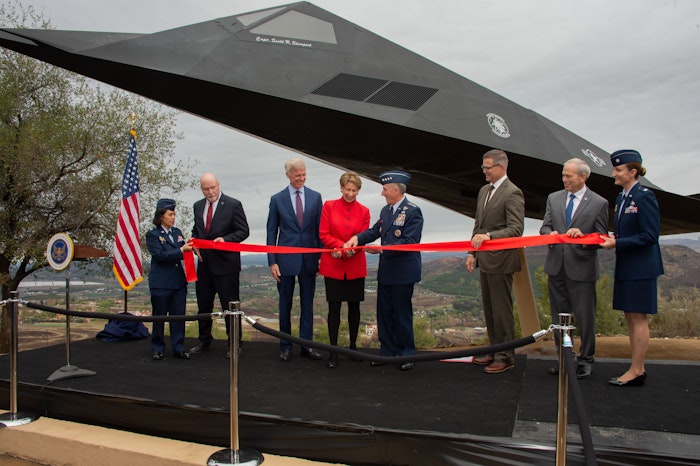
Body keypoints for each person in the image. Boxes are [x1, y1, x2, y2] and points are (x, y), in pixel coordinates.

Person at [345, 170, 423, 371]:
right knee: (384, 314)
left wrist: (381, 249)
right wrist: (357, 238)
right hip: (387, 271)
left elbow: (409, 242)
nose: (382, 193)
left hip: (403, 273)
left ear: (396, 190)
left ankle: (407, 353)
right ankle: (387, 352)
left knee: (402, 314)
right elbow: (375, 231)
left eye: (385, 189)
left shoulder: (413, 211)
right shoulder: (386, 211)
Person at [540, 158, 608, 379]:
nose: (564, 179)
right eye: (563, 175)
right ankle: (564, 360)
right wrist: (549, 234)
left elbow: (601, 238)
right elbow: (545, 226)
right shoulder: (553, 198)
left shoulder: (599, 203)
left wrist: (583, 238)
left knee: (584, 316)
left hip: (582, 269)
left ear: (583, 177)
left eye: (569, 176)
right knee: (559, 317)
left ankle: (586, 359)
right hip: (556, 267)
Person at [600, 149, 663, 387]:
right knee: (630, 317)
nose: (613, 173)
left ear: (632, 172)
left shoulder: (644, 196)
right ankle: (637, 367)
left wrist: (618, 242)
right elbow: (627, 230)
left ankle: (637, 370)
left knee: (638, 318)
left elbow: (650, 235)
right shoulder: (621, 197)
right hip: (627, 264)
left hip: (642, 267)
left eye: (618, 170)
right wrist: (610, 237)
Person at [465, 149, 524, 374]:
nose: (484, 171)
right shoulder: (483, 191)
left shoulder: (513, 192)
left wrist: (490, 237)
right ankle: (494, 348)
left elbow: (516, 229)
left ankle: (505, 355)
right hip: (485, 260)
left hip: (502, 261)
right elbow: (478, 224)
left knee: (502, 310)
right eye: (483, 167)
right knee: (490, 310)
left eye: (487, 167)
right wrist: (472, 252)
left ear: (501, 167)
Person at [267, 158, 323, 362]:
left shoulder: (316, 197)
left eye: (304, 174)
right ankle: (285, 345)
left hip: (309, 260)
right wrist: (272, 261)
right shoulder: (277, 199)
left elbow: (319, 231)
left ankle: (306, 346)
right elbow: (271, 231)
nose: (302, 178)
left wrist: (319, 258)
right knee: (285, 305)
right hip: (284, 262)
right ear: (288, 175)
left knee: (307, 304)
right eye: (298, 174)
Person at [189, 173, 250, 358]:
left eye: (212, 187)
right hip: (204, 266)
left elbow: (244, 231)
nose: (210, 192)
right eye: (206, 189)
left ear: (218, 185)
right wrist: (194, 244)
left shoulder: (233, 205)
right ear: (201, 189)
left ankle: (234, 344)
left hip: (226, 267)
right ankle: (204, 340)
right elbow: (196, 230)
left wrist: (226, 239)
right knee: (203, 306)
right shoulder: (197, 206)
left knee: (230, 308)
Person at [319, 171, 371, 368]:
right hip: (333, 264)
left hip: (355, 265)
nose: (350, 193)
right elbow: (323, 234)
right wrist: (342, 249)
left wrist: (349, 251)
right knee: (334, 308)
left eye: (354, 190)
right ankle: (333, 350)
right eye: (348, 189)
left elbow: (363, 236)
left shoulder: (364, 211)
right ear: (341, 188)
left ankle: (353, 346)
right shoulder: (329, 206)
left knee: (354, 307)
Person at [146, 198, 193, 361]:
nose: (173, 217)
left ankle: (178, 347)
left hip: (178, 282)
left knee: (178, 316)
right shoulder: (152, 235)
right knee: (159, 317)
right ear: (161, 216)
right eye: (170, 214)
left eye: (174, 214)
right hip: (161, 283)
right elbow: (160, 256)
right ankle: (158, 348)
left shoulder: (177, 232)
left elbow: (184, 251)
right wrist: (181, 250)